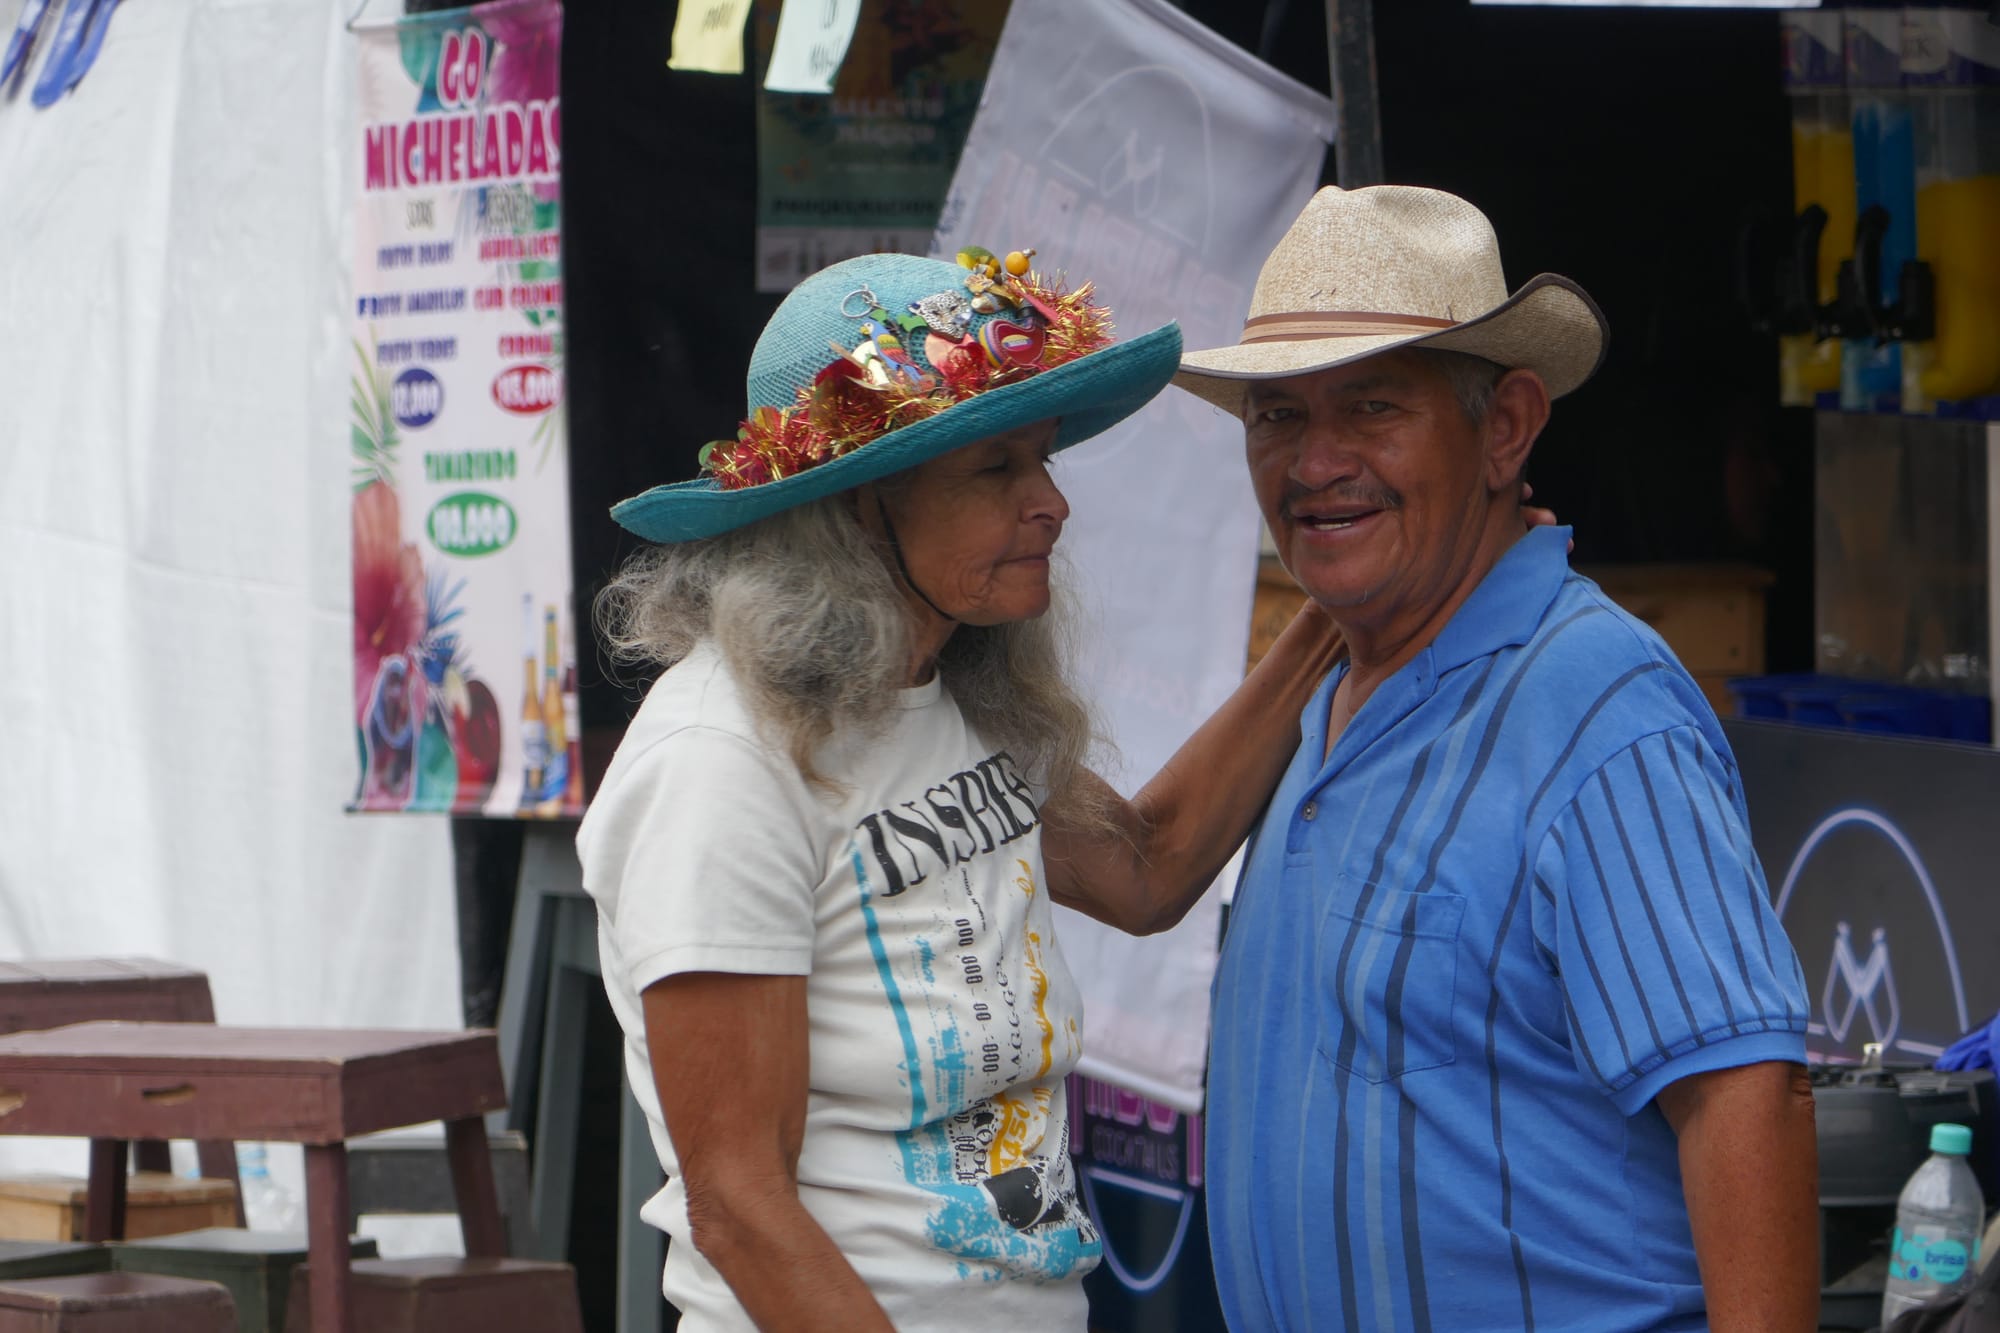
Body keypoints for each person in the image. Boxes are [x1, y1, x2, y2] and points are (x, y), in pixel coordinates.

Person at [576, 250, 1345, 1331]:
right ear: (854, 510)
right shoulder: (721, 758)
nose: (1052, 504)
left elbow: (1143, 866)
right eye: (995, 470)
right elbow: (739, 1201)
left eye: (1040, 459)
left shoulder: (951, 691)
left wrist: (1349, 612)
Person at [1174, 185, 1819, 1333]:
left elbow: (1741, 1100)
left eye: (1370, 406)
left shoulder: (1594, 705)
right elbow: (1137, 861)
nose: (1314, 462)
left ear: (1507, 427)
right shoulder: (1329, 691)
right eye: (1273, 417)